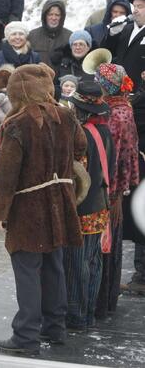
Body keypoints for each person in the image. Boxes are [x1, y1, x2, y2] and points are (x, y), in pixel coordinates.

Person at [0, 63, 87, 356]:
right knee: (54, 264)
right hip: (60, 200)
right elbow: (81, 148)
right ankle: (54, 327)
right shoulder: (68, 116)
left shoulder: (16, 123)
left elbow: (6, 174)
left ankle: (26, 336)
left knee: (27, 268)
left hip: (29, 207)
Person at [65, 80, 114, 331]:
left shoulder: (81, 135)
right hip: (101, 206)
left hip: (83, 207)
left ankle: (76, 316)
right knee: (94, 262)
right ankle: (90, 314)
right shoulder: (105, 130)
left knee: (77, 264)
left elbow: (77, 174)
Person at [93, 62, 139, 319]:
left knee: (105, 247)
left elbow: (115, 156)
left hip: (109, 190)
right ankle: (107, 299)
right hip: (116, 188)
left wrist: (112, 191)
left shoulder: (115, 114)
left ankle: (101, 301)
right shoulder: (123, 107)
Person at [103, 0, 145, 90]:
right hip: (118, 92)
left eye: (140, 7)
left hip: (139, 95)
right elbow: (107, 53)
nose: (135, 10)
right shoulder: (126, 28)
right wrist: (112, 35)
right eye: (134, 6)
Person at [27, 0, 72, 67]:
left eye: (57, 15)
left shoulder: (70, 36)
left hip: (60, 76)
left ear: (62, 17)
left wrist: (67, 58)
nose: (53, 18)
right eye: (50, 14)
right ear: (45, 16)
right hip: (38, 75)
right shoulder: (32, 35)